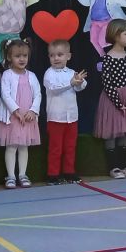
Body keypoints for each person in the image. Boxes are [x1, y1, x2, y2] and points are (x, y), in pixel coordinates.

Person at [94, 19, 126, 178]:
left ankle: (124, 166)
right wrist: (118, 102)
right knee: (112, 132)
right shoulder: (107, 58)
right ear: (116, 36)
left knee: (124, 132)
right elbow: (107, 83)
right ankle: (113, 168)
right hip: (112, 100)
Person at [0, 38, 42, 189]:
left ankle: (22, 174)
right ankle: (11, 176)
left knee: (23, 146)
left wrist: (33, 110)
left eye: (24, 56)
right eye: (17, 56)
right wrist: (16, 111)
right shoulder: (7, 74)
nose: (22, 59)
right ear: (9, 57)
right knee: (11, 146)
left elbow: (38, 94)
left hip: (27, 117)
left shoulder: (32, 75)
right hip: (12, 117)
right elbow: (5, 94)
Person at [43, 39, 87, 184]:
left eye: (60, 55)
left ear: (68, 56)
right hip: (56, 118)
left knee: (70, 147)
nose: (56, 58)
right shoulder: (49, 73)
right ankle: (53, 175)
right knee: (55, 148)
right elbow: (54, 89)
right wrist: (71, 83)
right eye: (52, 55)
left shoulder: (72, 73)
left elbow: (80, 88)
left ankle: (69, 172)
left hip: (71, 117)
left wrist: (80, 81)